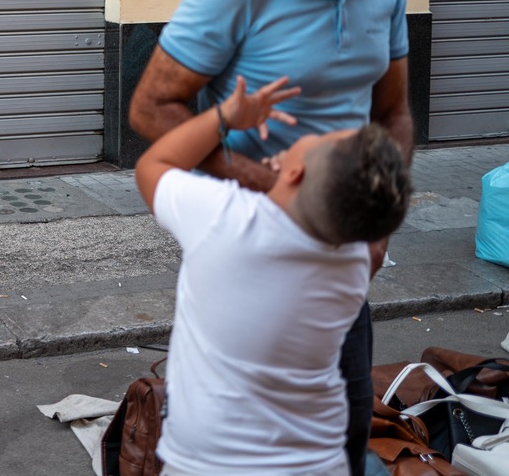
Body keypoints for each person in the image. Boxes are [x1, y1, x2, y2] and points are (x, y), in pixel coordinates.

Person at [128, 0, 430, 474]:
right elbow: (150, 109)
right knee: (234, 434)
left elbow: (393, 112)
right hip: (247, 249)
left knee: (342, 430)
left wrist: (381, 225)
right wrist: (259, 182)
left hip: (346, 247)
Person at [135, 74, 412, 475]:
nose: (311, 134)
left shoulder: (224, 219)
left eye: (318, 139)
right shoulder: (354, 261)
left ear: (294, 170)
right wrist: (282, 182)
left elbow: (153, 164)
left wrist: (226, 116)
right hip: (320, 463)